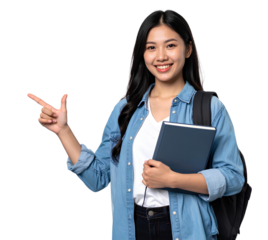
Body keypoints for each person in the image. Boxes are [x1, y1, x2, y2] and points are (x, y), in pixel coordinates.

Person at [25, 9, 244, 240]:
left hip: (188, 230)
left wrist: (173, 180)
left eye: (170, 45)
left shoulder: (211, 108)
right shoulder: (124, 110)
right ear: (142, 54)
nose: (161, 56)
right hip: (130, 228)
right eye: (151, 47)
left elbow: (233, 177)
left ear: (188, 49)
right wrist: (63, 131)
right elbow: (97, 178)